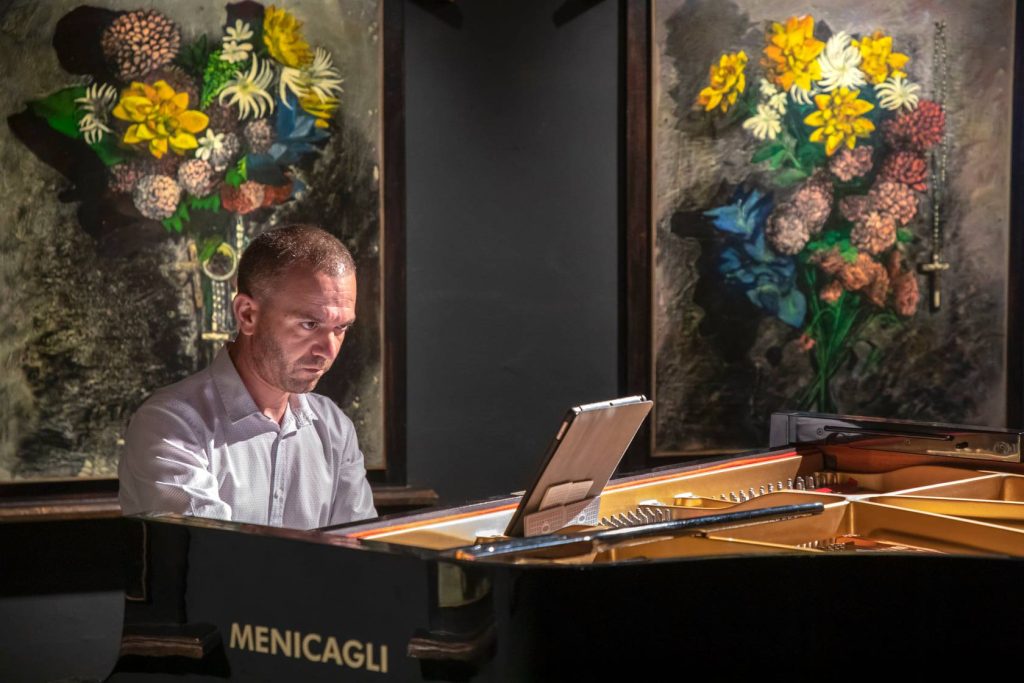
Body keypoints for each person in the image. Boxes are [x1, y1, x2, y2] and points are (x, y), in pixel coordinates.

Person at [118, 224, 377, 529]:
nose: (328, 350)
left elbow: (359, 556)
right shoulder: (169, 425)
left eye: (340, 328)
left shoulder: (334, 429)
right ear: (247, 315)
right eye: (309, 324)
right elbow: (215, 560)